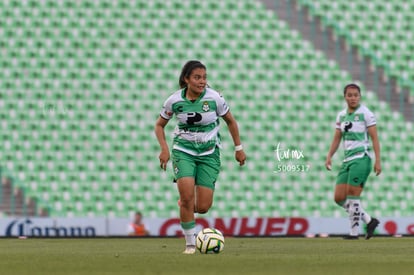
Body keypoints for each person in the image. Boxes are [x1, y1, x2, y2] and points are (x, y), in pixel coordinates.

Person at [154, 60, 246, 254]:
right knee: (187, 198)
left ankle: (185, 205)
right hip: (183, 151)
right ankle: (190, 244)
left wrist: (238, 148)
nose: (202, 81)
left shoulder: (215, 99)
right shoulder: (174, 101)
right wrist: (164, 149)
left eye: (204, 77)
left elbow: (230, 121)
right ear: (186, 79)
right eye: (197, 77)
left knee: (203, 207)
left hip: (209, 153)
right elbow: (159, 125)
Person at [325, 83, 381, 240]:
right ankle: (369, 220)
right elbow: (337, 138)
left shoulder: (366, 114)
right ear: (345, 97)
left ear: (360, 96)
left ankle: (354, 233)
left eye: (355, 95)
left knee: (352, 197)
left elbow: (375, 138)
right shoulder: (341, 115)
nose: (353, 98)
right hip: (347, 160)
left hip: (361, 159)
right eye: (349, 95)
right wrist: (329, 155)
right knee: (339, 198)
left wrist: (378, 160)